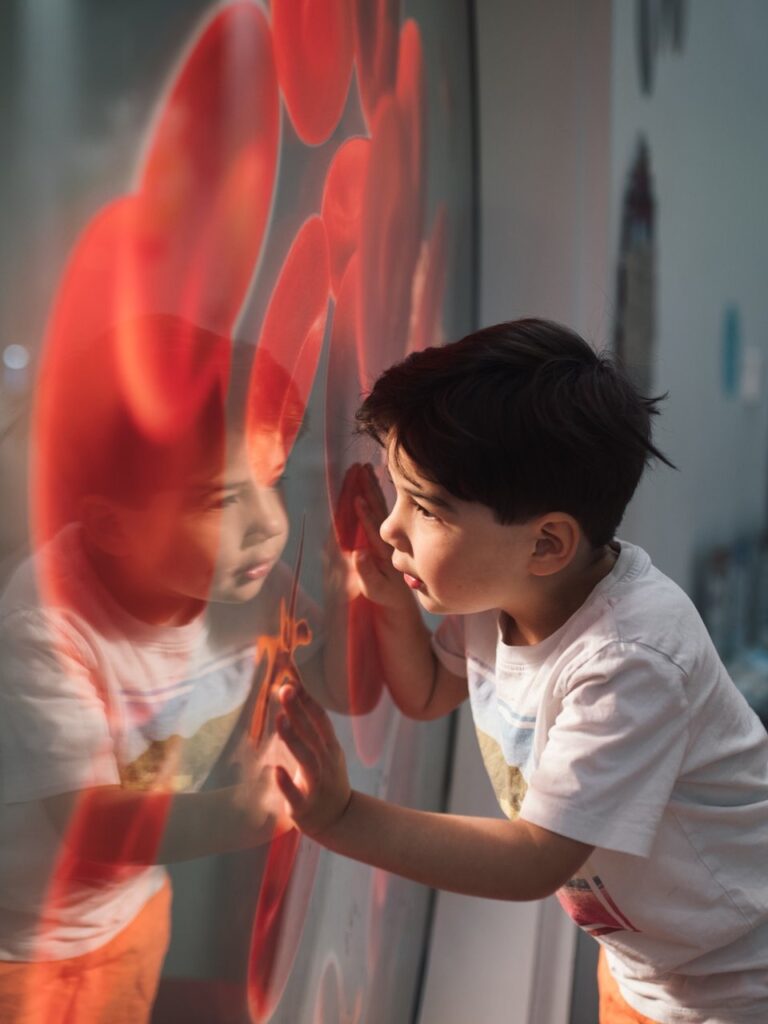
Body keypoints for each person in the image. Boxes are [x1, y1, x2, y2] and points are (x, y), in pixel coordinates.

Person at [274, 318, 768, 1024]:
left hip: (737, 983)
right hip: (645, 968)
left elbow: (534, 859)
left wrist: (345, 817)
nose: (391, 528)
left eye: (426, 508)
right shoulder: (498, 591)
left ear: (547, 544)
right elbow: (426, 692)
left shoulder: (630, 658)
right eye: (397, 494)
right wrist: (390, 598)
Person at [0, 315, 341, 1023]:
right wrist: (230, 816)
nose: (269, 524)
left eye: (271, 480)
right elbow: (87, 821)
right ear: (113, 526)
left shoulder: (247, 579)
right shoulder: (46, 626)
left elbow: (335, 672)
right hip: (16, 943)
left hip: (133, 912)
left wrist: (369, 593)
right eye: (223, 500)